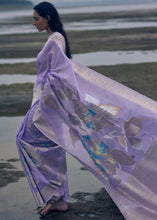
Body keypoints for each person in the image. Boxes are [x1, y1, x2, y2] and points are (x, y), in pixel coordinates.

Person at [16, 1, 157, 219]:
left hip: (47, 103)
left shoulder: (55, 40)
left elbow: (59, 76)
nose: (33, 22)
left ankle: (57, 196)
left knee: (30, 139)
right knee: (34, 140)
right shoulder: (55, 39)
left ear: (48, 18)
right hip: (45, 101)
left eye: (36, 18)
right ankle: (57, 195)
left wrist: (49, 104)